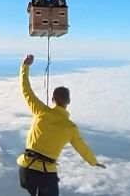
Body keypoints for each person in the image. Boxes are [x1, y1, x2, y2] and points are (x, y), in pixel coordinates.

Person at [17, 54, 105, 196]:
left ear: (52, 99)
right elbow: (81, 147)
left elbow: (26, 89)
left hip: (26, 169)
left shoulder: (40, 111)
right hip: (47, 174)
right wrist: (93, 162)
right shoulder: (70, 128)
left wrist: (25, 66)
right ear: (68, 101)